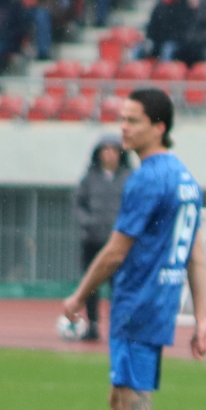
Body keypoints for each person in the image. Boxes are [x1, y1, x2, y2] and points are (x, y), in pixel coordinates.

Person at [64, 89, 206, 410]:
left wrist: (78, 296)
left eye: (133, 121)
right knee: (120, 400)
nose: (123, 128)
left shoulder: (146, 179)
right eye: (122, 119)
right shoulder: (185, 179)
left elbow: (115, 251)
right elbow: (196, 253)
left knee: (134, 405)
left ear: (159, 127)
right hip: (159, 302)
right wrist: (202, 318)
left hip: (137, 304)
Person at [72, 137, 133, 343]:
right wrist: (88, 223)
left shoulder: (128, 178)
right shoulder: (90, 178)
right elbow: (77, 203)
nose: (109, 154)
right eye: (105, 150)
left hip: (119, 243)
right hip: (93, 241)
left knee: (119, 287)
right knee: (91, 285)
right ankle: (92, 325)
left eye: (114, 150)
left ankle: (119, 327)